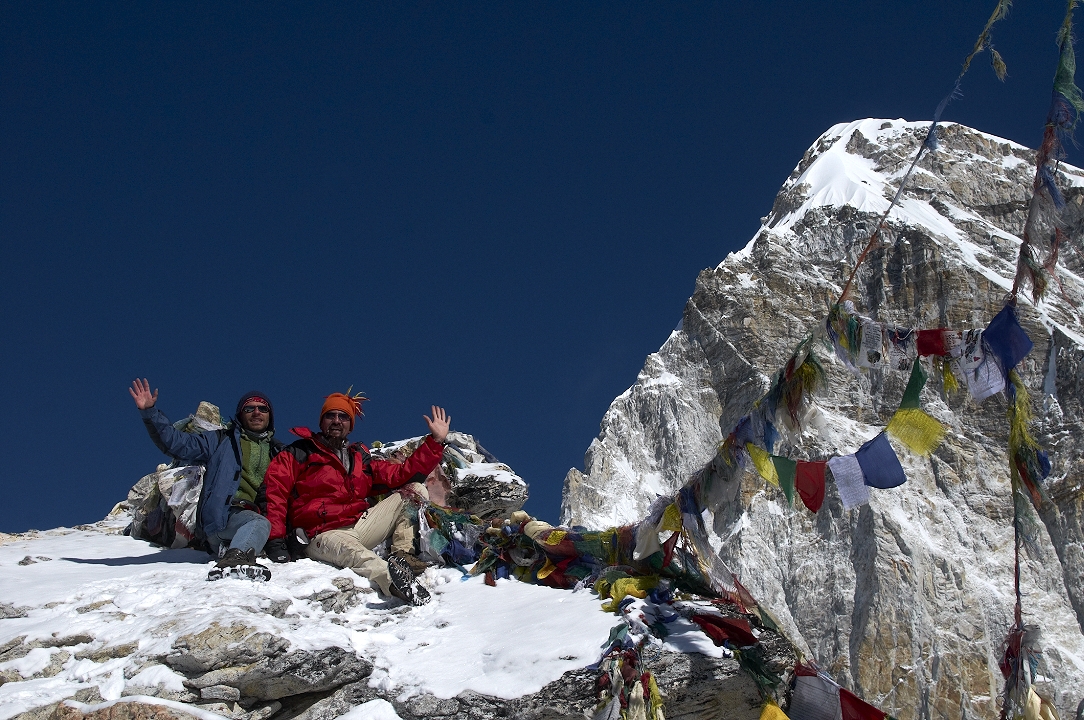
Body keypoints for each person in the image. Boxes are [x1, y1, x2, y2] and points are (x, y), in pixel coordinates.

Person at [264, 392, 449, 605]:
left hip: (359, 526)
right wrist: (275, 540)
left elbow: (401, 474)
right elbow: (275, 493)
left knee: (415, 490)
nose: (336, 421)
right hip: (320, 534)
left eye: (343, 417)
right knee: (358, 555)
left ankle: (402, 556)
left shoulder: (359, 459)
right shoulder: (299, 452)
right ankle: (396, 582)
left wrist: (435, 441)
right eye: (330, 415)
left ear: (350, 425)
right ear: (321, 422)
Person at [129, 379, 284, 581]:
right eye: (249, 408)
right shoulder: (221, 440)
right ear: (240, 414)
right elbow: (178, 443)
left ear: (270, 416)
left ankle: (232, 548)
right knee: (258, 523)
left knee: (263, 525)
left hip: (255, 518)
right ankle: (234, 560)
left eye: (263, 408)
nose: (256, 412)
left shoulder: (277, 452)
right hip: (222, 518)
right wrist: (150, 413)